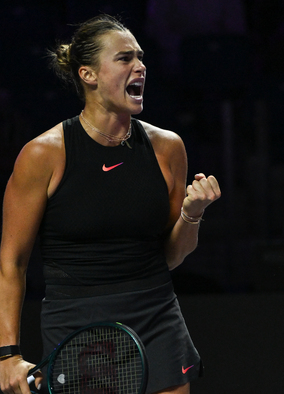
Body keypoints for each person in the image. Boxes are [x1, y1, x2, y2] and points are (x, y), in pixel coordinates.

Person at [0, 14, 220, 394]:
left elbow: (170, 256)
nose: (140, 66)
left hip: (156, 314)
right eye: (124, 58)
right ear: (89, 75)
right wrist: (7, 355)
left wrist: (192, 214)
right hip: (76, 323)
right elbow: (12, 262)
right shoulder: (43, 154)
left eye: (140, 57)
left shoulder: (168, 148)